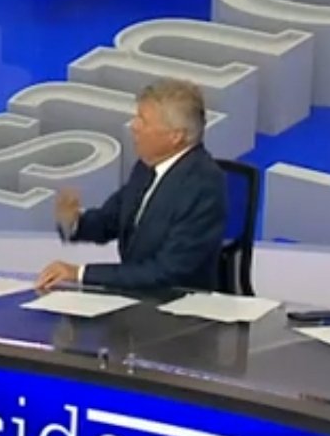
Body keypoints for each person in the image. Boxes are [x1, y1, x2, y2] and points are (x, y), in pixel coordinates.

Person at [35, 78, 226, 293]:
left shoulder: (203, 185)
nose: (134, 126)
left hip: (178, 303)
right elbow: (111, 219)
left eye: (143, 120)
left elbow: (168, 271)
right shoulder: (146, 167)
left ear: (175, 136)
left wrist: (80, 273)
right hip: (136, 295)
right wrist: (72, 221)